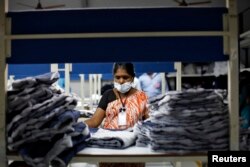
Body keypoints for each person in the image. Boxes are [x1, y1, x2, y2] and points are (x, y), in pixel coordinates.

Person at [84, 62, 149, 167]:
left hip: (133, 149)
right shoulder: (108, 95)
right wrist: (73, 126)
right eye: (117, 77)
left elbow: (148, 123)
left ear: (132, 78)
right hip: (110, 147)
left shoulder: (141, 97)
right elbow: (95, 121)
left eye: (125, 77)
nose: (121, 81)